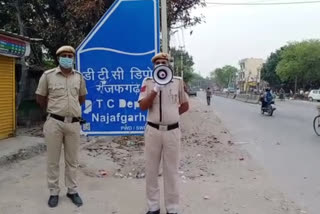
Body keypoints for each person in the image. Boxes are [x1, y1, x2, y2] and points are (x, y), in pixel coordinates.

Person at [35, 45, 87, 208]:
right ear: (58, 58)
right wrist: (54, 111)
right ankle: (53, 192)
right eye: (64, 55)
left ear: (73, 58)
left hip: (73, 123)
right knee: (53, 160)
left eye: (70, 56)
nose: (67, 58)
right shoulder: (48, 76)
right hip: (54, 123)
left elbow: (82, 97)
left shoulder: (78, 77)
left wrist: (70, 112)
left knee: (72, 160)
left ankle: (72, 190)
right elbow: (40, 97)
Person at [138, 53, 189, 214]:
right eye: (158, 62)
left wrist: (172, 116)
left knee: (171, 171)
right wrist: (155, 90)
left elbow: (185, 105)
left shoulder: (177, 82)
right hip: (153, 131)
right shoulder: (147, 82)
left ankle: (172, 208)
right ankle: (153, 206)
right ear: (154, 66)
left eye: (164, 62)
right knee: (151, 170)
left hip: (172, 131)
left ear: (168, 65)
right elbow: (143, 106)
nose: (161, 64)